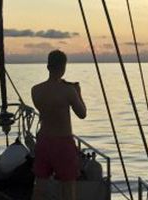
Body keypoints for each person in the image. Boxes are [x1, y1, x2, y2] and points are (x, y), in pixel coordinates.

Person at [31, 50, 87, 200]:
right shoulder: (69, 91)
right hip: (63, 143)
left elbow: (45, 109)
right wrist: (78, 92)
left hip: (43, 141)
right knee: (68, 189)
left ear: (48, 67)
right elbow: (82, 113)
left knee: (40, 187)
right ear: (63, 68)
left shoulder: (35, 90)